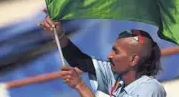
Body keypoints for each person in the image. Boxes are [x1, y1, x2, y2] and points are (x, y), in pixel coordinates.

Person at [39, 11, 167, 97]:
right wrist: (59, 35)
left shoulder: (150, 89)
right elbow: (80, 61)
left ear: (133, 60)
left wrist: (80, 85)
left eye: (116, 51)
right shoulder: (116, 78)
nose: (109, 56)